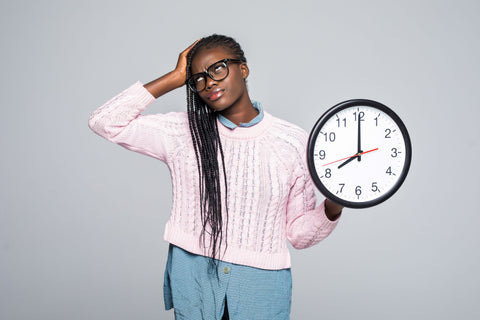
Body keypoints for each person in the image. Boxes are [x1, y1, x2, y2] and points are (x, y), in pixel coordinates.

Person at [89, 34, 343, 320]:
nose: (209, 82)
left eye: (218, 69)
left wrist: (334, 205)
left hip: (261, 285)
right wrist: (174, 78)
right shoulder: (185, 132)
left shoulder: (293, 142)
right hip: (193, 275)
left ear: (243, 69)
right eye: (197, 79)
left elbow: (299, 235)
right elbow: (104, 121)